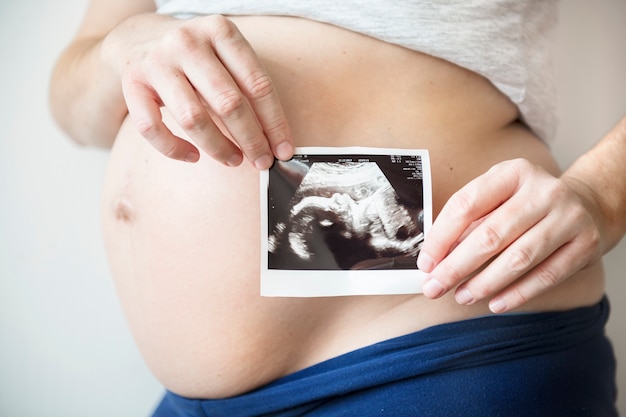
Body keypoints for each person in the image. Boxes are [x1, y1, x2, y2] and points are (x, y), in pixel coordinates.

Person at [49, 1, 625, 415]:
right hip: (189, 397)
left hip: (438, 355)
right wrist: (122, 46)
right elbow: (74, 103)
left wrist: (604, 192)